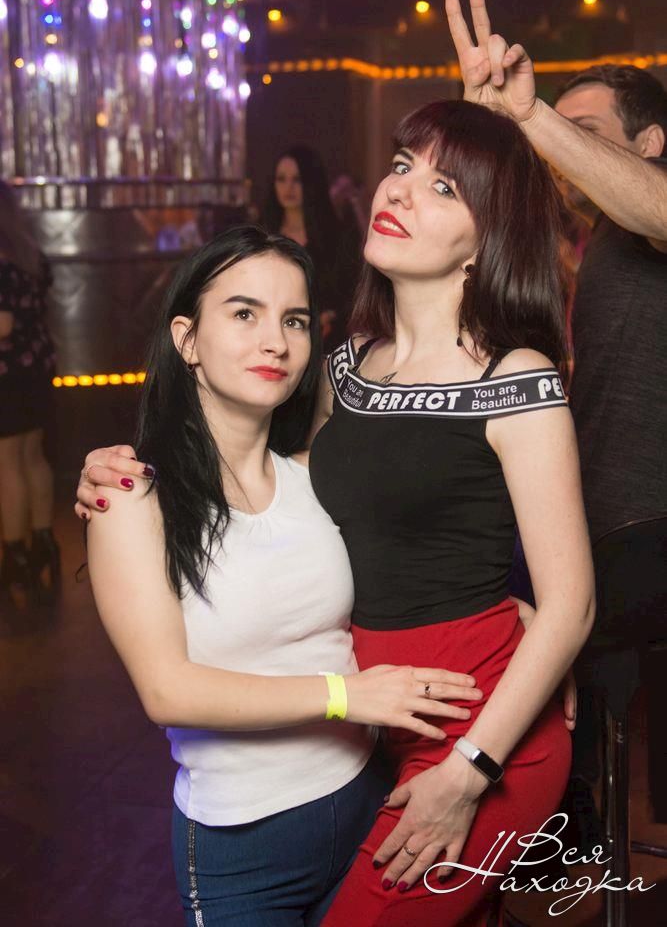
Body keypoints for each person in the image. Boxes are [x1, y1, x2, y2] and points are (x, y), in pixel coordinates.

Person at [77, 95, 591, 922]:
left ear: (484, 239)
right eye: (402, 167)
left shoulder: (514, 375)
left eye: (443, 187)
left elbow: (573, 604)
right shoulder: (347, 367)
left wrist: (471, 764)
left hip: (483, 737)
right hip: (376, 732)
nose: (399, 190)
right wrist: (126, 476)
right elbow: (307, 499)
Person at [84, 225, 483, 927]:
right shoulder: (130, 498)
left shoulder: (316, 477)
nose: (275, 341)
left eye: (293, 320)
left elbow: (415, 571)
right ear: (186, 339)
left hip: (368, 805)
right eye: (244, 313)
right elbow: (166, 690)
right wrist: (346, 696)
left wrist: (516, 616)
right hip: (243, 848)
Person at [446, 0, 667, 836]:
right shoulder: (599, 239)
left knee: (478, 595)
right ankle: (563, 807)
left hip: (643, 530)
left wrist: (532, 115)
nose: (563, 154)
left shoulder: (647, 208)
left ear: (649, 143)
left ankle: (528, 811)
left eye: (588, 134)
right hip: (611, 524)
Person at [0, 180, 60, 600]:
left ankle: (15, 555)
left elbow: (2, 325)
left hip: (7, 374)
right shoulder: (28, 255)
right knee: (33, 457)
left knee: (7, 465)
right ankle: (44, 543)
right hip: (37, 367)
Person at [261, 146, 360, 348]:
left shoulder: (337, 236)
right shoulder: (262, 234)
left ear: (310, 183)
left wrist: (329, 315)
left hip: (325, 340)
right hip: (268, 335)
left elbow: (352, 292)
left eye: (297, 180)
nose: (288, 187)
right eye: (281, 179)